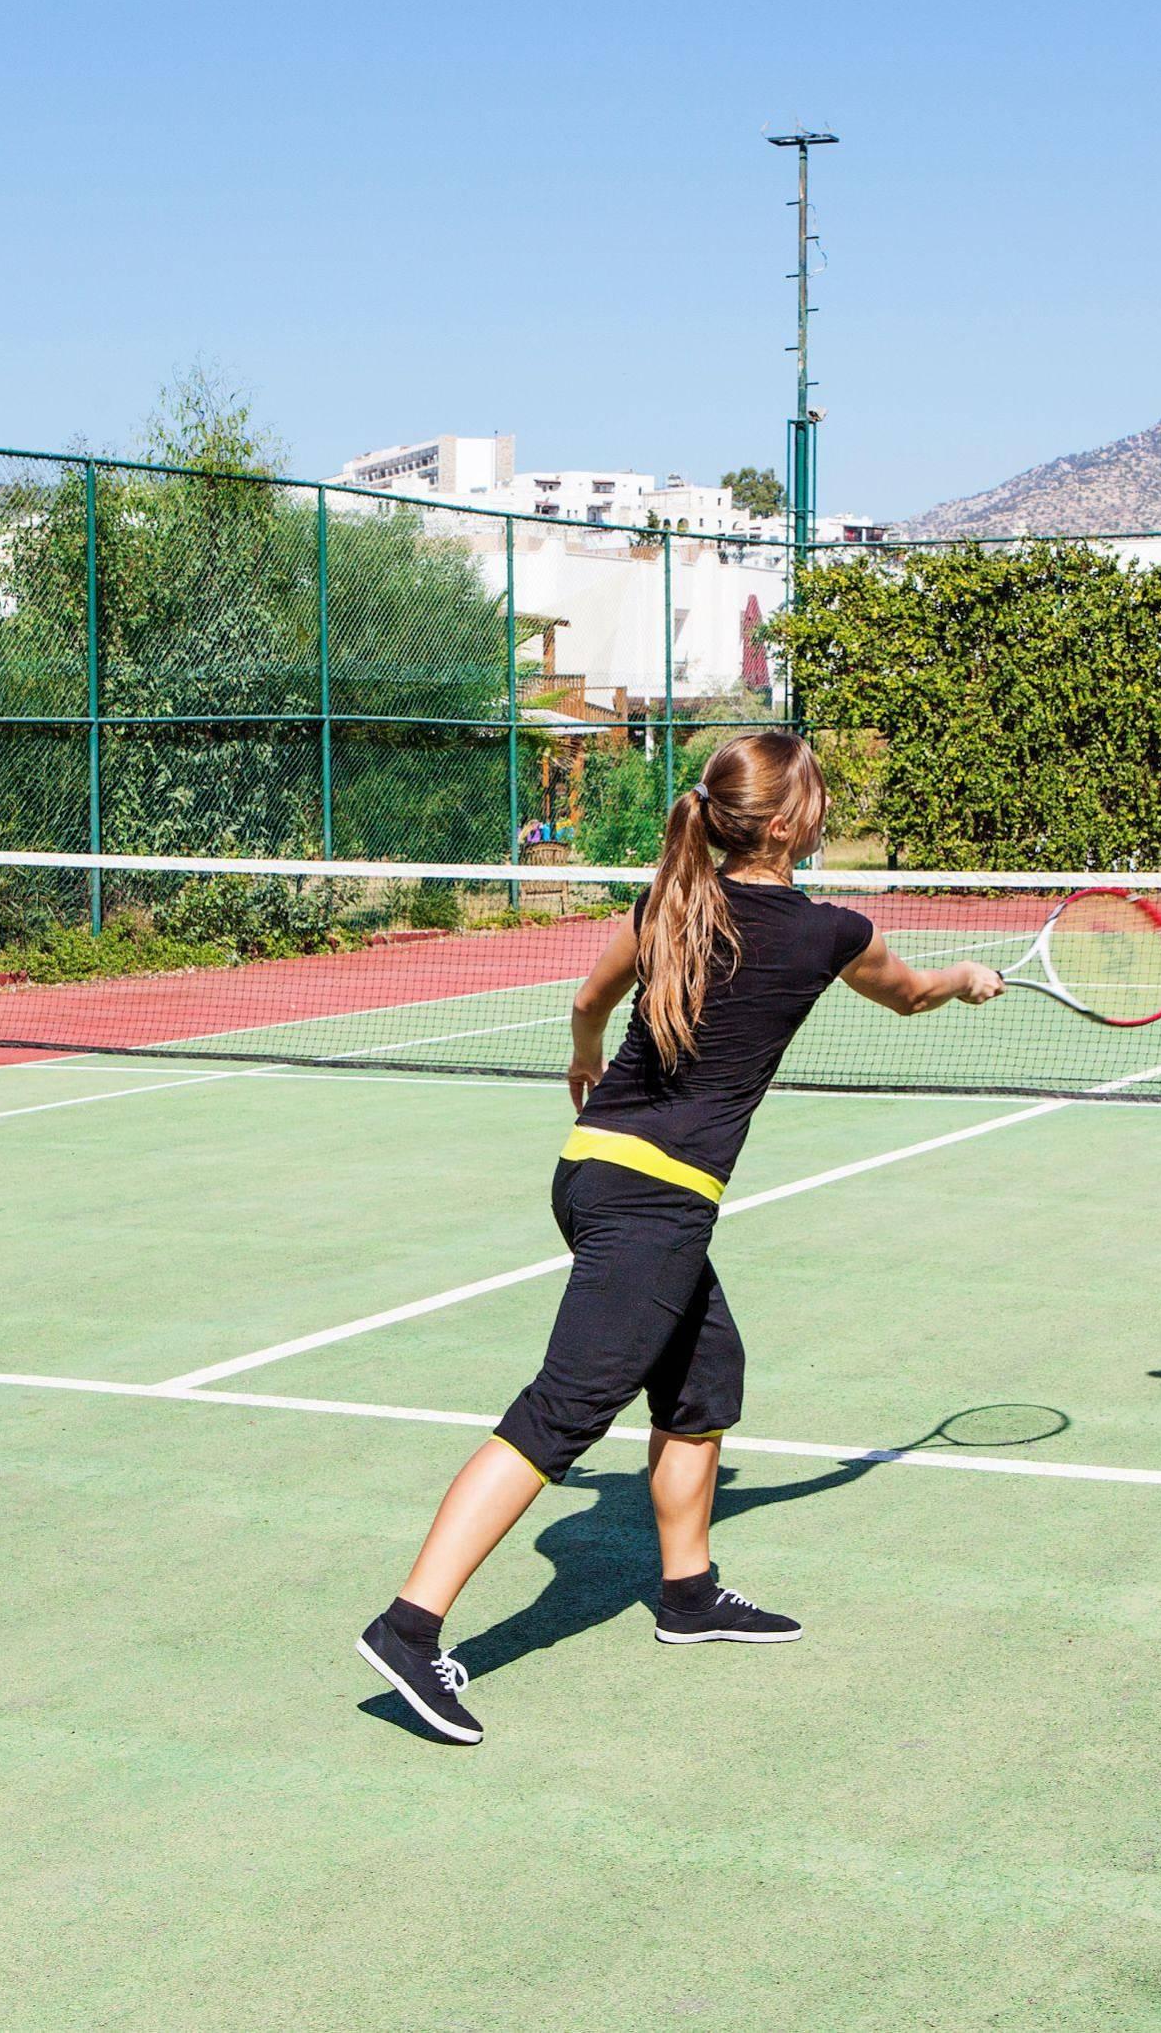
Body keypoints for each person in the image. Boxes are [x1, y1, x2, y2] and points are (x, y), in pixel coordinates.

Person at [356, 730, 1004, 1743]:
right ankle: (408, 1627)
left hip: (591, 1170)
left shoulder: (666, 903)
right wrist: (966, 976)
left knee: (705, 1375)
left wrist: (583, 1055)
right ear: (789, 824)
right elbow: (914, 993)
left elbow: (586, 1001)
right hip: (654, 1205)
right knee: (561, 1411)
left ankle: (688, 1591)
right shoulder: (830, 931)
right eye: (820, 790)